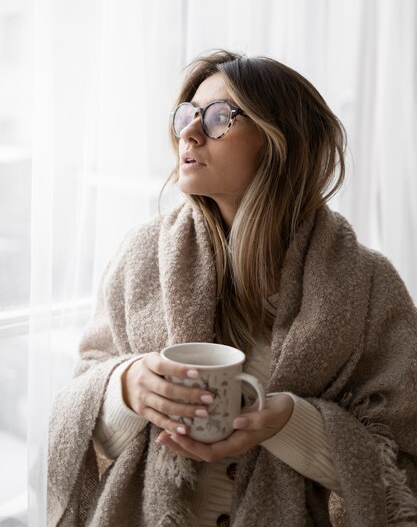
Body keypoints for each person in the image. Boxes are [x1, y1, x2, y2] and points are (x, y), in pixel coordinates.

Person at [48, 50, 417, 527]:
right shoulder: (140, 257)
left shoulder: (368, 285)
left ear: (281, 142)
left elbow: (402, 465)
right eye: (188, 114)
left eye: (220, 117)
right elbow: (80, 436)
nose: (190, 132)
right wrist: (125, 388)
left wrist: (291, 423)